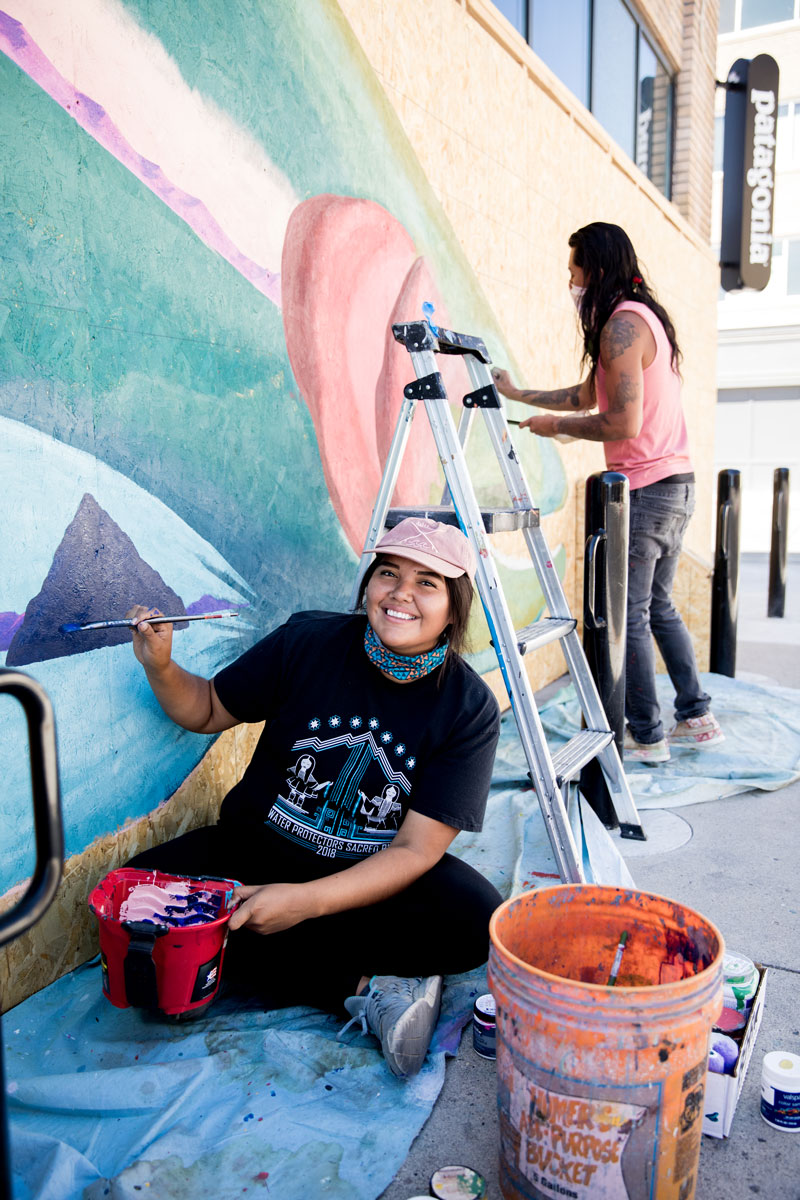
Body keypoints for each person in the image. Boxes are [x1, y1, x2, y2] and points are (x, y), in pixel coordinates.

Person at [125, 516, 501, 1077]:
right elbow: (204, 708)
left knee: (478, 920)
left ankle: (255, 957)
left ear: (455, 606)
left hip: (366, 881)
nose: (401, 593)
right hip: (254, 854)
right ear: (368, 585)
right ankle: (367, 989)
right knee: (135, 902)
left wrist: (303, 903)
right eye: (388, 573)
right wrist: (160, 666)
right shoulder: (308, 642)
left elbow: (414, 852)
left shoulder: (468, 708)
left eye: (428, 582)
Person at [492, 221, 723, 765]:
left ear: (593, 269)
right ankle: (696, 715)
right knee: (659, 607)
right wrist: (521, 398)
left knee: (634, 614)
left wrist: (561, 429)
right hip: (676, 486)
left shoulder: (620, 325)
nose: (570, 281)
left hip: (645, 491)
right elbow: (586, 394)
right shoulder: (642, 318)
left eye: (573, 269)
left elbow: (621, 422)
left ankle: (647, 734)